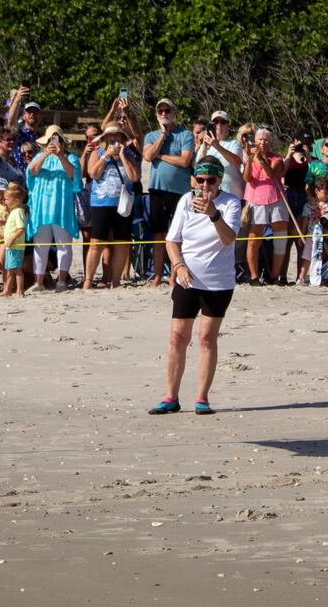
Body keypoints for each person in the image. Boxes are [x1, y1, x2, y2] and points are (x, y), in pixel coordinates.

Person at [150, 158, 241, 416]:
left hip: (218, 282)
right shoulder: (185, 202)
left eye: (210, 180)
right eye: (200, 180)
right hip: (187, 279)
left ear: (219, 180)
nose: (205, 186)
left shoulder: (231, 203)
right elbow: (171, 240)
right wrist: (178, 266)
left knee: (206, 338)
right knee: (177, 337)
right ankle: (171, 396)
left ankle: (202, 397)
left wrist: (213, 213)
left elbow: (228, 238)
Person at [143, 98, 196, 288]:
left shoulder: (186, 134)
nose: (164, 114)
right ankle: (157, 276)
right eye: (160, 111)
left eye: (167, 110)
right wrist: (162, 137)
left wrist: (161, 156)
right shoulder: (151, 136)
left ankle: (174, 277)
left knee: (178, 235)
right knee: (159, 234)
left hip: (180, 192)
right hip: (157, 189)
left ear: (174, 112)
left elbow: (185, 161)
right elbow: (148, 156)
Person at [84, 122, 140, 289]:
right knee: (97, 242)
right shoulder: (97, 152)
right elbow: (93, 173)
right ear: (106, 138)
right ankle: (88, 280)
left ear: (122, 138)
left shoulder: (129, 155)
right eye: (111, 135)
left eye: (118, 135)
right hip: (101, 203)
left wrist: (122, 156)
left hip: (122, 204)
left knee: (122, 243)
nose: (114, 138)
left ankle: (115, 280)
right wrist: (106, 156)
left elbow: (135, 177)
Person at [27, 125, 80, 291]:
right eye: (50, 139)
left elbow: (73, 175)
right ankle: (39, 282)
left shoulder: (71, 157)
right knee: (40, 246)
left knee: (64, 245)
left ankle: (62, 281)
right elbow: (32, 172)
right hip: (41, 209)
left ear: (63, 142)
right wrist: (45, 154)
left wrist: (60, 156)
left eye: (56, 139)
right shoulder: (39, 156)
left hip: (62, 208)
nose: (53, 142)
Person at [241, 127, 291, 285]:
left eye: (266, 140)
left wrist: (262, 160)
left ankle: (274, 275)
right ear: (255, 141)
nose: (263, 142)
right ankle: (254, 276)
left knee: (280, 238)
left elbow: (272, 173)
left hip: (275, 198)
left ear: (271, 142)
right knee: (254, 240)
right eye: (260, 139)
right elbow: (247, 178)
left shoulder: (276, 158)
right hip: (256, 199)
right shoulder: (250, 157)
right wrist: (250, 158)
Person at [0, 180, 28, 297]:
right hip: (10, 246)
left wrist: (11, 239)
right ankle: (7, 290)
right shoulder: (13, 212)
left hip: (16, 246)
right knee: (10, 269)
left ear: (16, 200)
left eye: (7, 199)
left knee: (16, 269)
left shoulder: (19, 212)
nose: (5, 201)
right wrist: (5, 235)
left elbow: (21, 228)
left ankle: (20, 290)